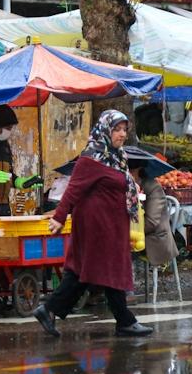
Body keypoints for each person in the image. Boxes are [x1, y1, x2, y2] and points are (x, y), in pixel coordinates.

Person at [33, 110, 154, 338]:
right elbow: (73, 188)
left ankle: (49, 309)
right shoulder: (92, 157)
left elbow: (116, 183)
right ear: (104, 130)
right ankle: (125, 321)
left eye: (124, 130)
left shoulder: (115, 156)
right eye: (116, 129)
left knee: (86, 271)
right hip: (97, 225)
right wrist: (59, 217)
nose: (121, 134)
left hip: (111, 224)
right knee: (107, 267)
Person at [128, 160, 178, 268]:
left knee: (122, 251)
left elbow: (151, 222)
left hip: (152, 239)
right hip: (132, 234)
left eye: (129, 170)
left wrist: (126, 233)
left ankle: (127, 278)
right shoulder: (123, 187)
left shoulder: (152, 187)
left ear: (138, 169)